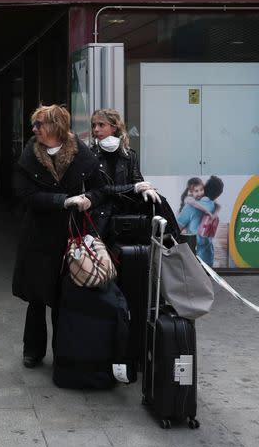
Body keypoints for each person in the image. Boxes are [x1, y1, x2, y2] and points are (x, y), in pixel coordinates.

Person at [11, 104, 104, 369]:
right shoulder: (29, 155)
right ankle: (33, 350)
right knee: (37, 297)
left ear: (55, 127)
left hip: (71, 236)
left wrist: (88, 199)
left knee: (66, 298)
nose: (34, 130)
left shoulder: (82, 155)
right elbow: (25, 195)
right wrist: (62, 200)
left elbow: (101, 190)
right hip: (38, 236)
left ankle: (64, 351)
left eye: (39, 124)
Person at [87, 108, 160, 239]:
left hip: (126, 218)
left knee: (160, 202)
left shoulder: (129, 154)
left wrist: (145, 189)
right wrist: (134, 188)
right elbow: (100, 189)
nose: (96, 129)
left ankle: (177, 246)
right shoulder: (90, 155)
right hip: (100, 218)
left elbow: (137, 180)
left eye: (101, 125)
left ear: (114, 127)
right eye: (94, 125)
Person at [178, 175, 223, 266]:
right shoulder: (213, 206)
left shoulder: (190, 206)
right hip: (208, 256)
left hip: (193, 258)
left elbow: (176, 229)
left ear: (205, 188)